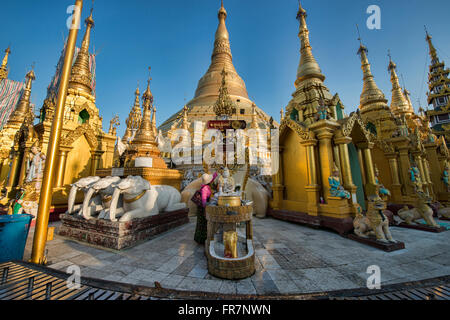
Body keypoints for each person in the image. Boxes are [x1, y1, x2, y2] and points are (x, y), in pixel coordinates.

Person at [194, 172, 218, 244]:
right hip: (202, 208)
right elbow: (204, 201)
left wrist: (216, 172)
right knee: (203, 223)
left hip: (204, 206)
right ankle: (201, 239)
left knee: (204, 222)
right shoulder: (205, 188)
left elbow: (212, 177)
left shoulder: (205, 186)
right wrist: (205, 209)